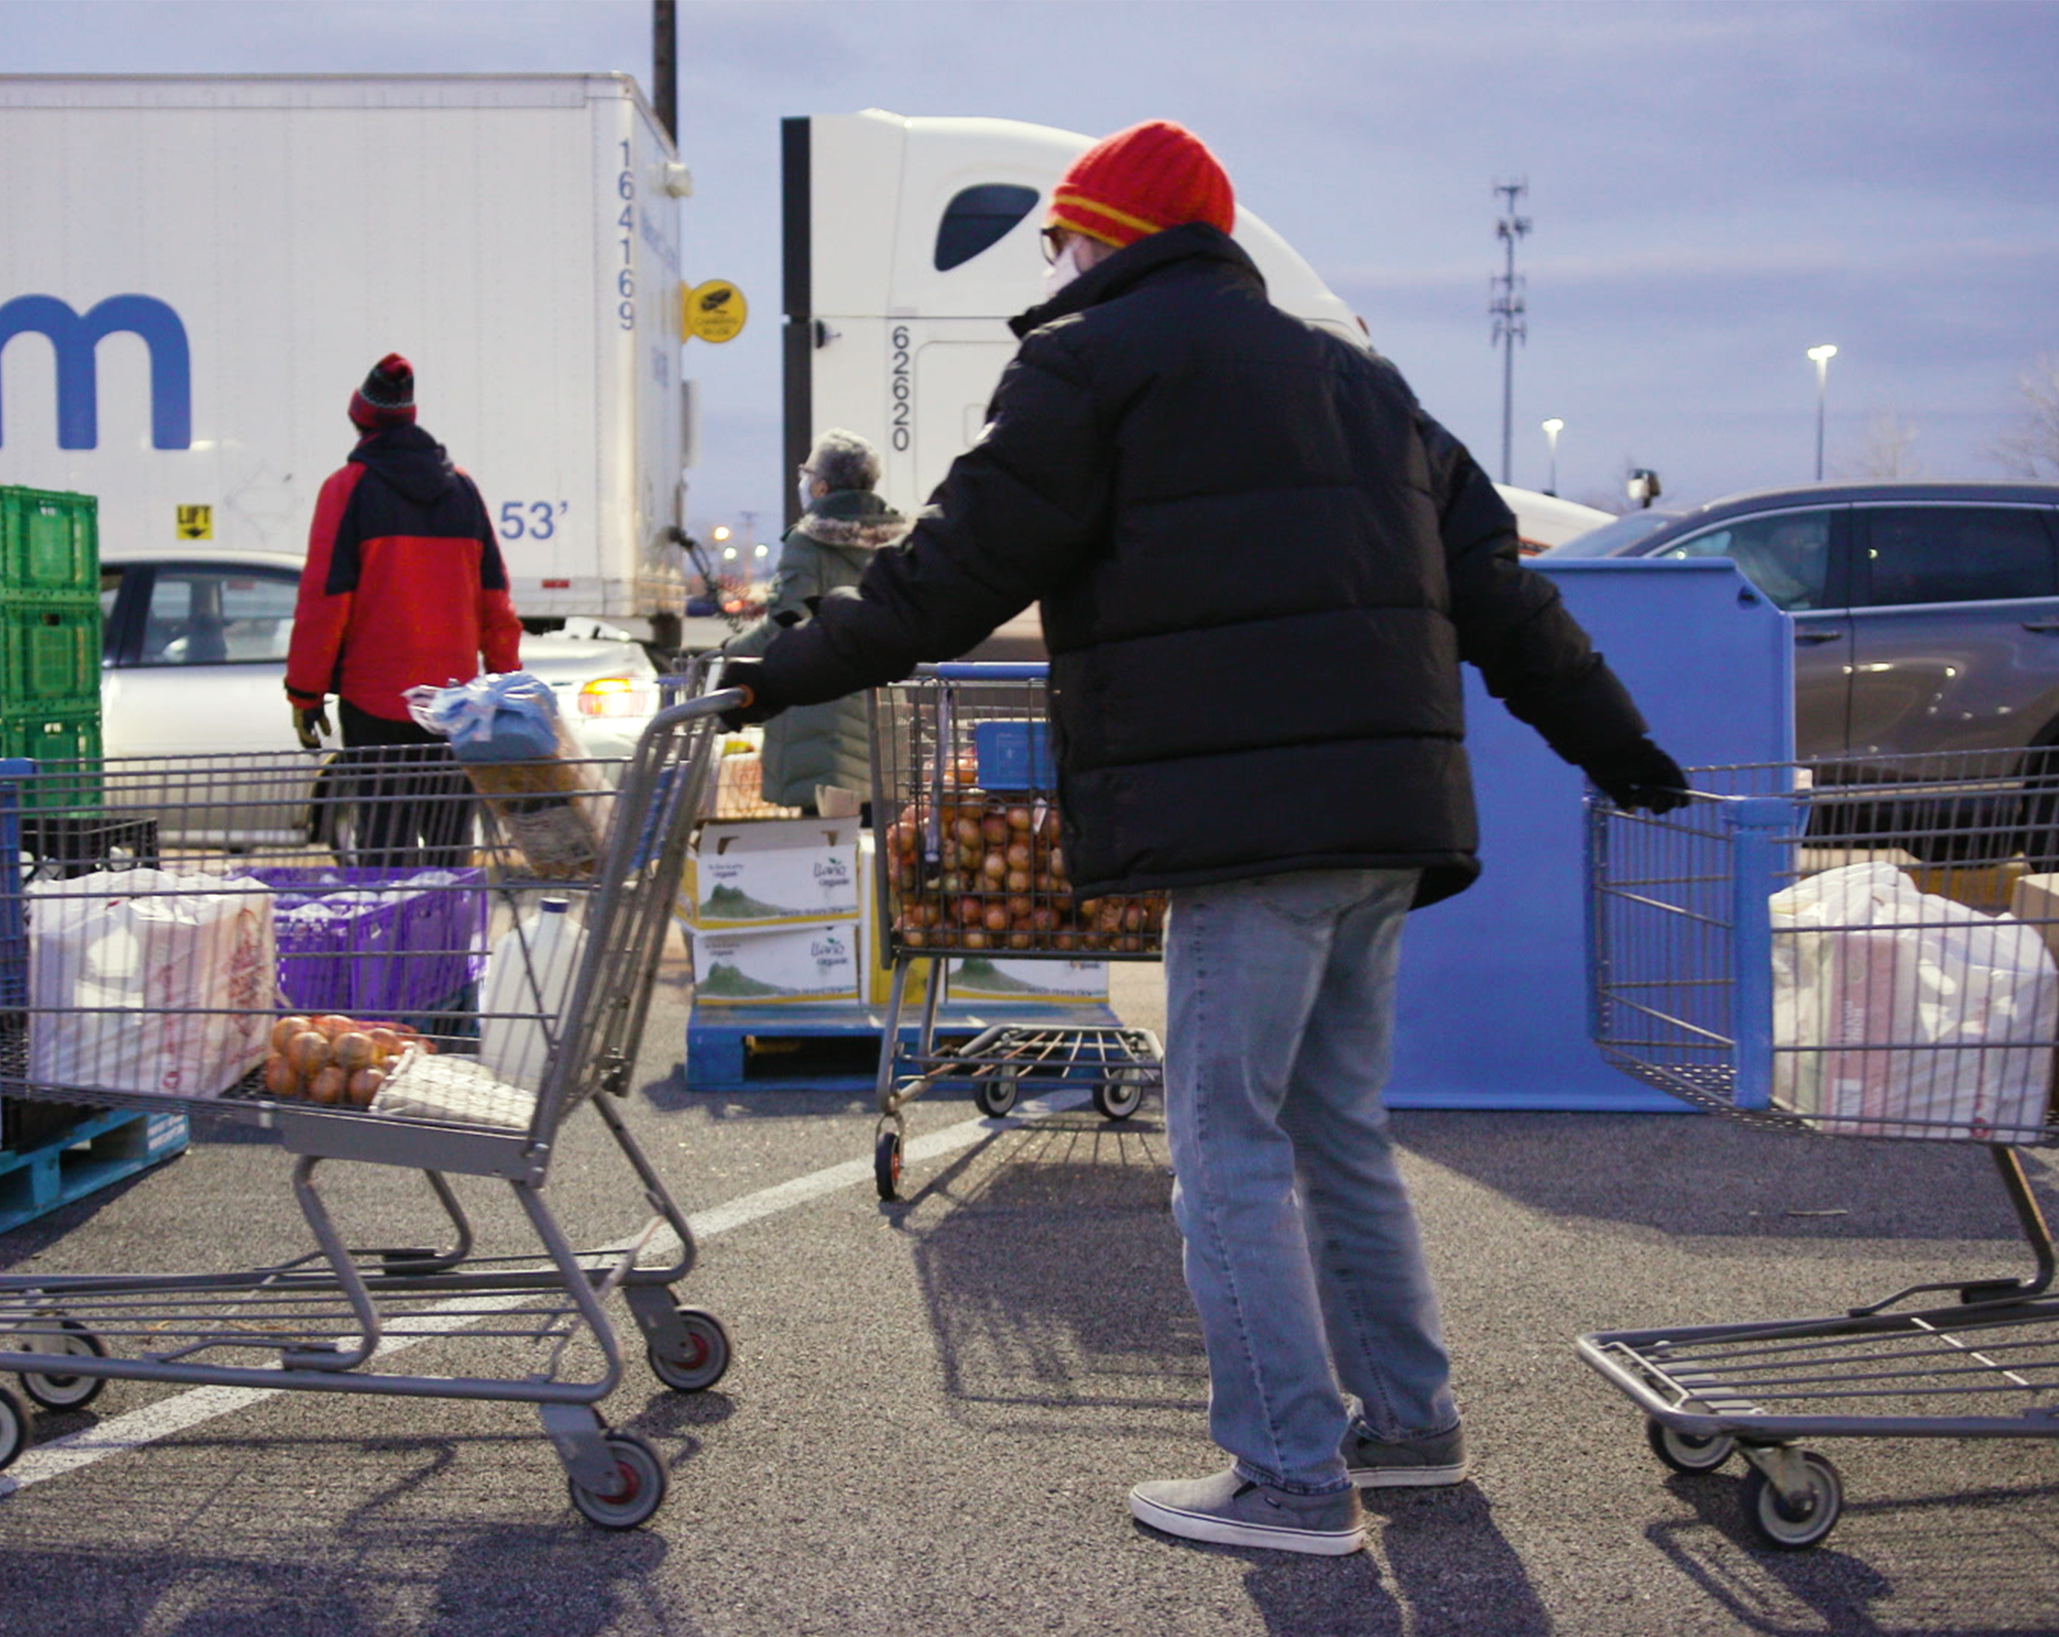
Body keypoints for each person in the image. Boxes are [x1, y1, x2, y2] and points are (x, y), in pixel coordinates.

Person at [720, 121, 1686, 1557]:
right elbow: (1510, 609)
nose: (1051, 261)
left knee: (1221, 1144)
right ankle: (1408, 1427)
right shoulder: (1368, 388)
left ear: (1108, 234)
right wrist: (1628, 757)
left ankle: (1293, 1478)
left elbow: (951, 576)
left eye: (1057, 237)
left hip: (1248, 831)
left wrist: (771, 671)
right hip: (1387, 829)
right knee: (1335, 1129)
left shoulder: (1090, 369)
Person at [285, 353, 524, 859]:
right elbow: (495, 600)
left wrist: (305, 693)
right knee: (448, 848)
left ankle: (391, 936)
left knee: (385, 848)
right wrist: (505, 681)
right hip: (454, 705)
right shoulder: (462, 491)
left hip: (375, 702)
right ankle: (451, 936)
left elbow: (324, 602)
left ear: (360, 421)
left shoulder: (346, 489)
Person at [721, 429, 913, 818]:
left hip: (824, 716)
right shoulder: (895, 537)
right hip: (883, 709)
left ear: (822, 487)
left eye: (807, 474)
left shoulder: (808, 541)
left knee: (826, 854)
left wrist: (732, 652)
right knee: (875, 852)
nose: (803, 483)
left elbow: (787, 621)